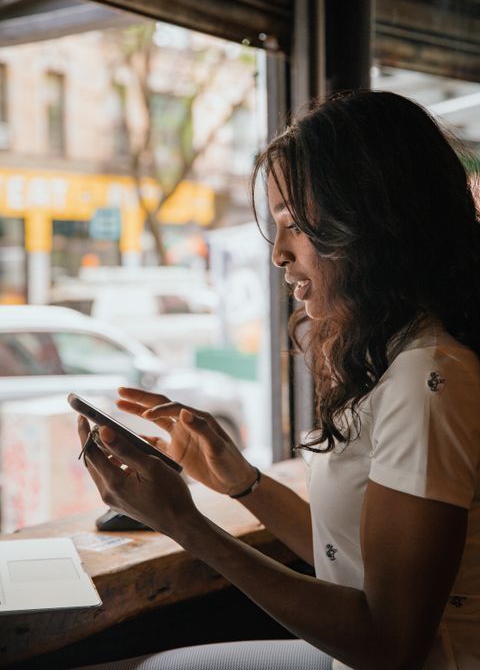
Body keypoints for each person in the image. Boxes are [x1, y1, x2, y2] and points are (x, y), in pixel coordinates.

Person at [76, 90, 480, 670]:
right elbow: (352, 554)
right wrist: (243, 482)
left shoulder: (429, 377)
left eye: (296, 225)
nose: (279, 255)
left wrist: (184, 523)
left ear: (370, 221)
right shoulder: (397, 353)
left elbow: (390, 643)